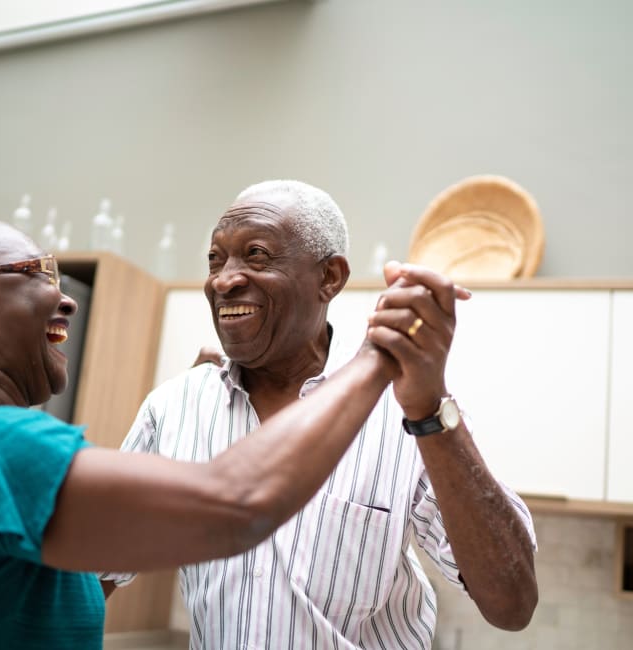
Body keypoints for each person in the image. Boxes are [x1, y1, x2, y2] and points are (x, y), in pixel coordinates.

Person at [0, 215, 402, 650]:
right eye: (39, 274)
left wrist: (196, 405)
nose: (64, 299)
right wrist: (377, 358)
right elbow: (240, 504)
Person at [100, 180, 538, 649]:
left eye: (256, 255)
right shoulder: (174, 409)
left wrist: (430, 410)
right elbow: (95, 572)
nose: (224, 279)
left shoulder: (403, 410)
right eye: (215, 259)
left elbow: (511, 604)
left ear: (329, 277)